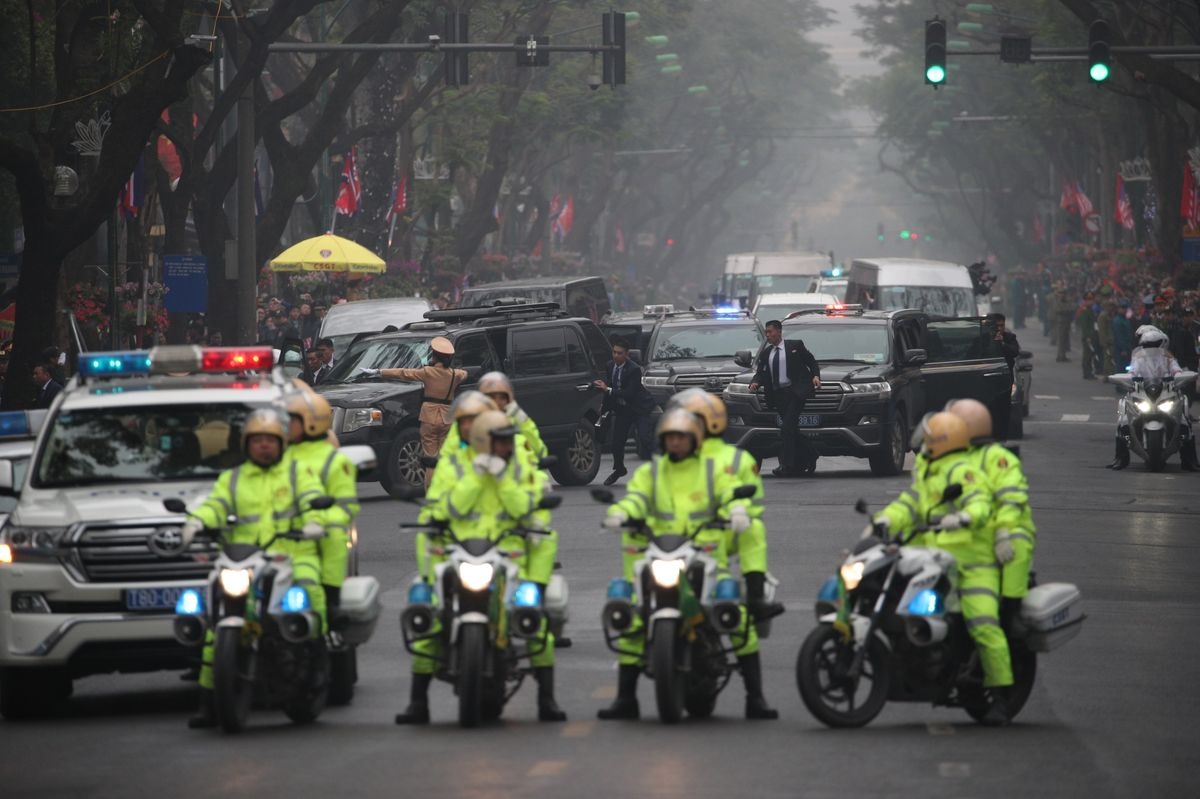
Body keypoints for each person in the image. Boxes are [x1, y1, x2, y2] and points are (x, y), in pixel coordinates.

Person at [597, 408, 778, 721]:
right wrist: (621, 512)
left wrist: (736, 509)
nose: (676, 443)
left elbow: (728, 493)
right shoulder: (651, 472)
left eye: (681, 437)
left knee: (735, 615)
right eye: (670, 437)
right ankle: (625, 698)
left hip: (706, 555)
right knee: (634, 616)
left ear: (694, 439)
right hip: (660, 553)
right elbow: (636, 497)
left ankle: (755, 697)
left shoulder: (711, 471)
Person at [395, 409, 566, 724]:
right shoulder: (455, 467)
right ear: (483, 442)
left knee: (533, 618)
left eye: (507, 440)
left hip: (511, 554)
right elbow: (449, 507)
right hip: (461, 553)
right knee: (430, 614)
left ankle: (547, 699)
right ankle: (417, 701)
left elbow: (527, 510)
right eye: (499, 441)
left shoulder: (522, 468)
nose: (506, 445)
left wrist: (501, 477)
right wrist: (477, 476)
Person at [181, 409, 332, 728]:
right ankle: (210, 701)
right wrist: (197, 521)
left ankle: (315, 660)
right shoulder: (233, 477)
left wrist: (316, 522)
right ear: (247, 444)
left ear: (280, 443)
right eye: (257, 440)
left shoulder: (296, 473)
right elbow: (216, 504)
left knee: (311, 593)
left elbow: (312, 498)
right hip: (243, 558)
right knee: (215, 619)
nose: (264, 446)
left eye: (270, 440)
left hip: (292, 552)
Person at [870, 412, 1013, 726]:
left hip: (973, 564)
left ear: (943, 441)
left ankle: (1001, 696)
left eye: (929, 437)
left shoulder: (963, 471)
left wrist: (962, 518)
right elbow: (910, 504)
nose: (923, 443)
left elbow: (979, 503)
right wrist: (883, 520)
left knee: (983, 623)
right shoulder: (929, 470)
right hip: (935, 558)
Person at [670, 388, 784, 625]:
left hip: (724, 531)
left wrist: (738, 511)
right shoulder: (671, 459)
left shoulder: (736, 459)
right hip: (675, 534)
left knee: (752, 532)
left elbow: (746, 499)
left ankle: (755, 596)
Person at [945, 399, 1036, 626]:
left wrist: (1003, 530)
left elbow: (1011, 500)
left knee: (1016, 548)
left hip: (1006, 529)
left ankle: (1011, 613)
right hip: (968, 528)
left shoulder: (999, 458)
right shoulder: (952, 457)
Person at [284, 385, 359, 620]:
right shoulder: (276, 455)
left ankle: (331, 600)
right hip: (282, 536)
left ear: (310, 422)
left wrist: (318, 523)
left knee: (336, 537)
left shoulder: (333, 460)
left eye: (291, 420)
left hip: (318, 534)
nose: (284, 426)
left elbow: (345, 507)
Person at [359, 337, 466, 486]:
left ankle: (432, 490)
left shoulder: (428, 372)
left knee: (430, 458)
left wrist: (379, 371)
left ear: (434, 355)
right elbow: (464, 374)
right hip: (447, 417)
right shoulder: (456, 374)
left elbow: (403, 373)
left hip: (429, 416)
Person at [1110, 325, 1195, 470]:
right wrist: (1128, 378)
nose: (1151, 348)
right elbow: (1133, 371)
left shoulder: (1168, 358)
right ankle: (1120, 458)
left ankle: (1190, 461)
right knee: (1122, 421)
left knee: (1185, 424)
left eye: (1154, 345)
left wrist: (1179, 377)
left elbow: (1177, 370)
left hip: (1166, 392)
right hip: (1143, 391)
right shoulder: (1138, 358)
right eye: (1147, 345)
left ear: (1161, 343)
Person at [748, 319, 820, 477]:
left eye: (770, 332)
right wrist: (755, 383)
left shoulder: (795, 346)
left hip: (795, 393)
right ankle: (809, 454)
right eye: (766, 333)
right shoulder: (767, 353)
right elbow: (761, 373)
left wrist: (815, 376)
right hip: (778, 396)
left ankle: (786, 465)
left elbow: (811, 361)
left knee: (786, 428)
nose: (768, 335)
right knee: (792, 430)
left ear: (779, 331)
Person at [594, 337, 655, 486]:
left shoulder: (634, 369)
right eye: (614, 352)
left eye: (619, 353)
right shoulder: (609, 366)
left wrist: (607, 389)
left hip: (639, 408)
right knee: (617, 442)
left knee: (645, 438)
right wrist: (604, 407)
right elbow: (609, 388)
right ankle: (619, 469)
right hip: (622, 409)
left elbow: (629, 393)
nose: (616, 355)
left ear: (626, 354)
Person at [1076, 293, 1097, 379]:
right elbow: (1084, 326)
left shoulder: (1090, 310)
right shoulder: (1084, 310)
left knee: (1090, 355)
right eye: (1088, 299)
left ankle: (1089, 372)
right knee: (1087, 355)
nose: (1090, 301)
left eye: (1091, 299)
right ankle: (1087, 373)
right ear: (1085, 300)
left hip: (1092, 335)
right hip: (1087, 336)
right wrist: (1087, 337)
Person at [1051, 285, 1074, 362]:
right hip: (1061, 322)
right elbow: (1058, 310)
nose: (1062, 294)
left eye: (1064, 293)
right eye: (1061, 293)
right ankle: (1060, 356)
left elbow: (1072, 307)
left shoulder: (1067, 301)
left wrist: (1067, 308)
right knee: (1061, 340)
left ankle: (1063, 355)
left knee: (1065, 339)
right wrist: (1067, 309)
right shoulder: (1057, 301)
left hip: (1067, 321)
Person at [1097, 301, 1116, 378]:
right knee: (1107, 358)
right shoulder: (1103, 316)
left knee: (1110, 358)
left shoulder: (1110, 315)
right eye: (1110, 306)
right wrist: (1103, 342)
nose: (1111, 308)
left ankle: (1110, 374)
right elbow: (1102, 330)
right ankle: (1107, 375)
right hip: (1107, 341)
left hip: (1111, 340)